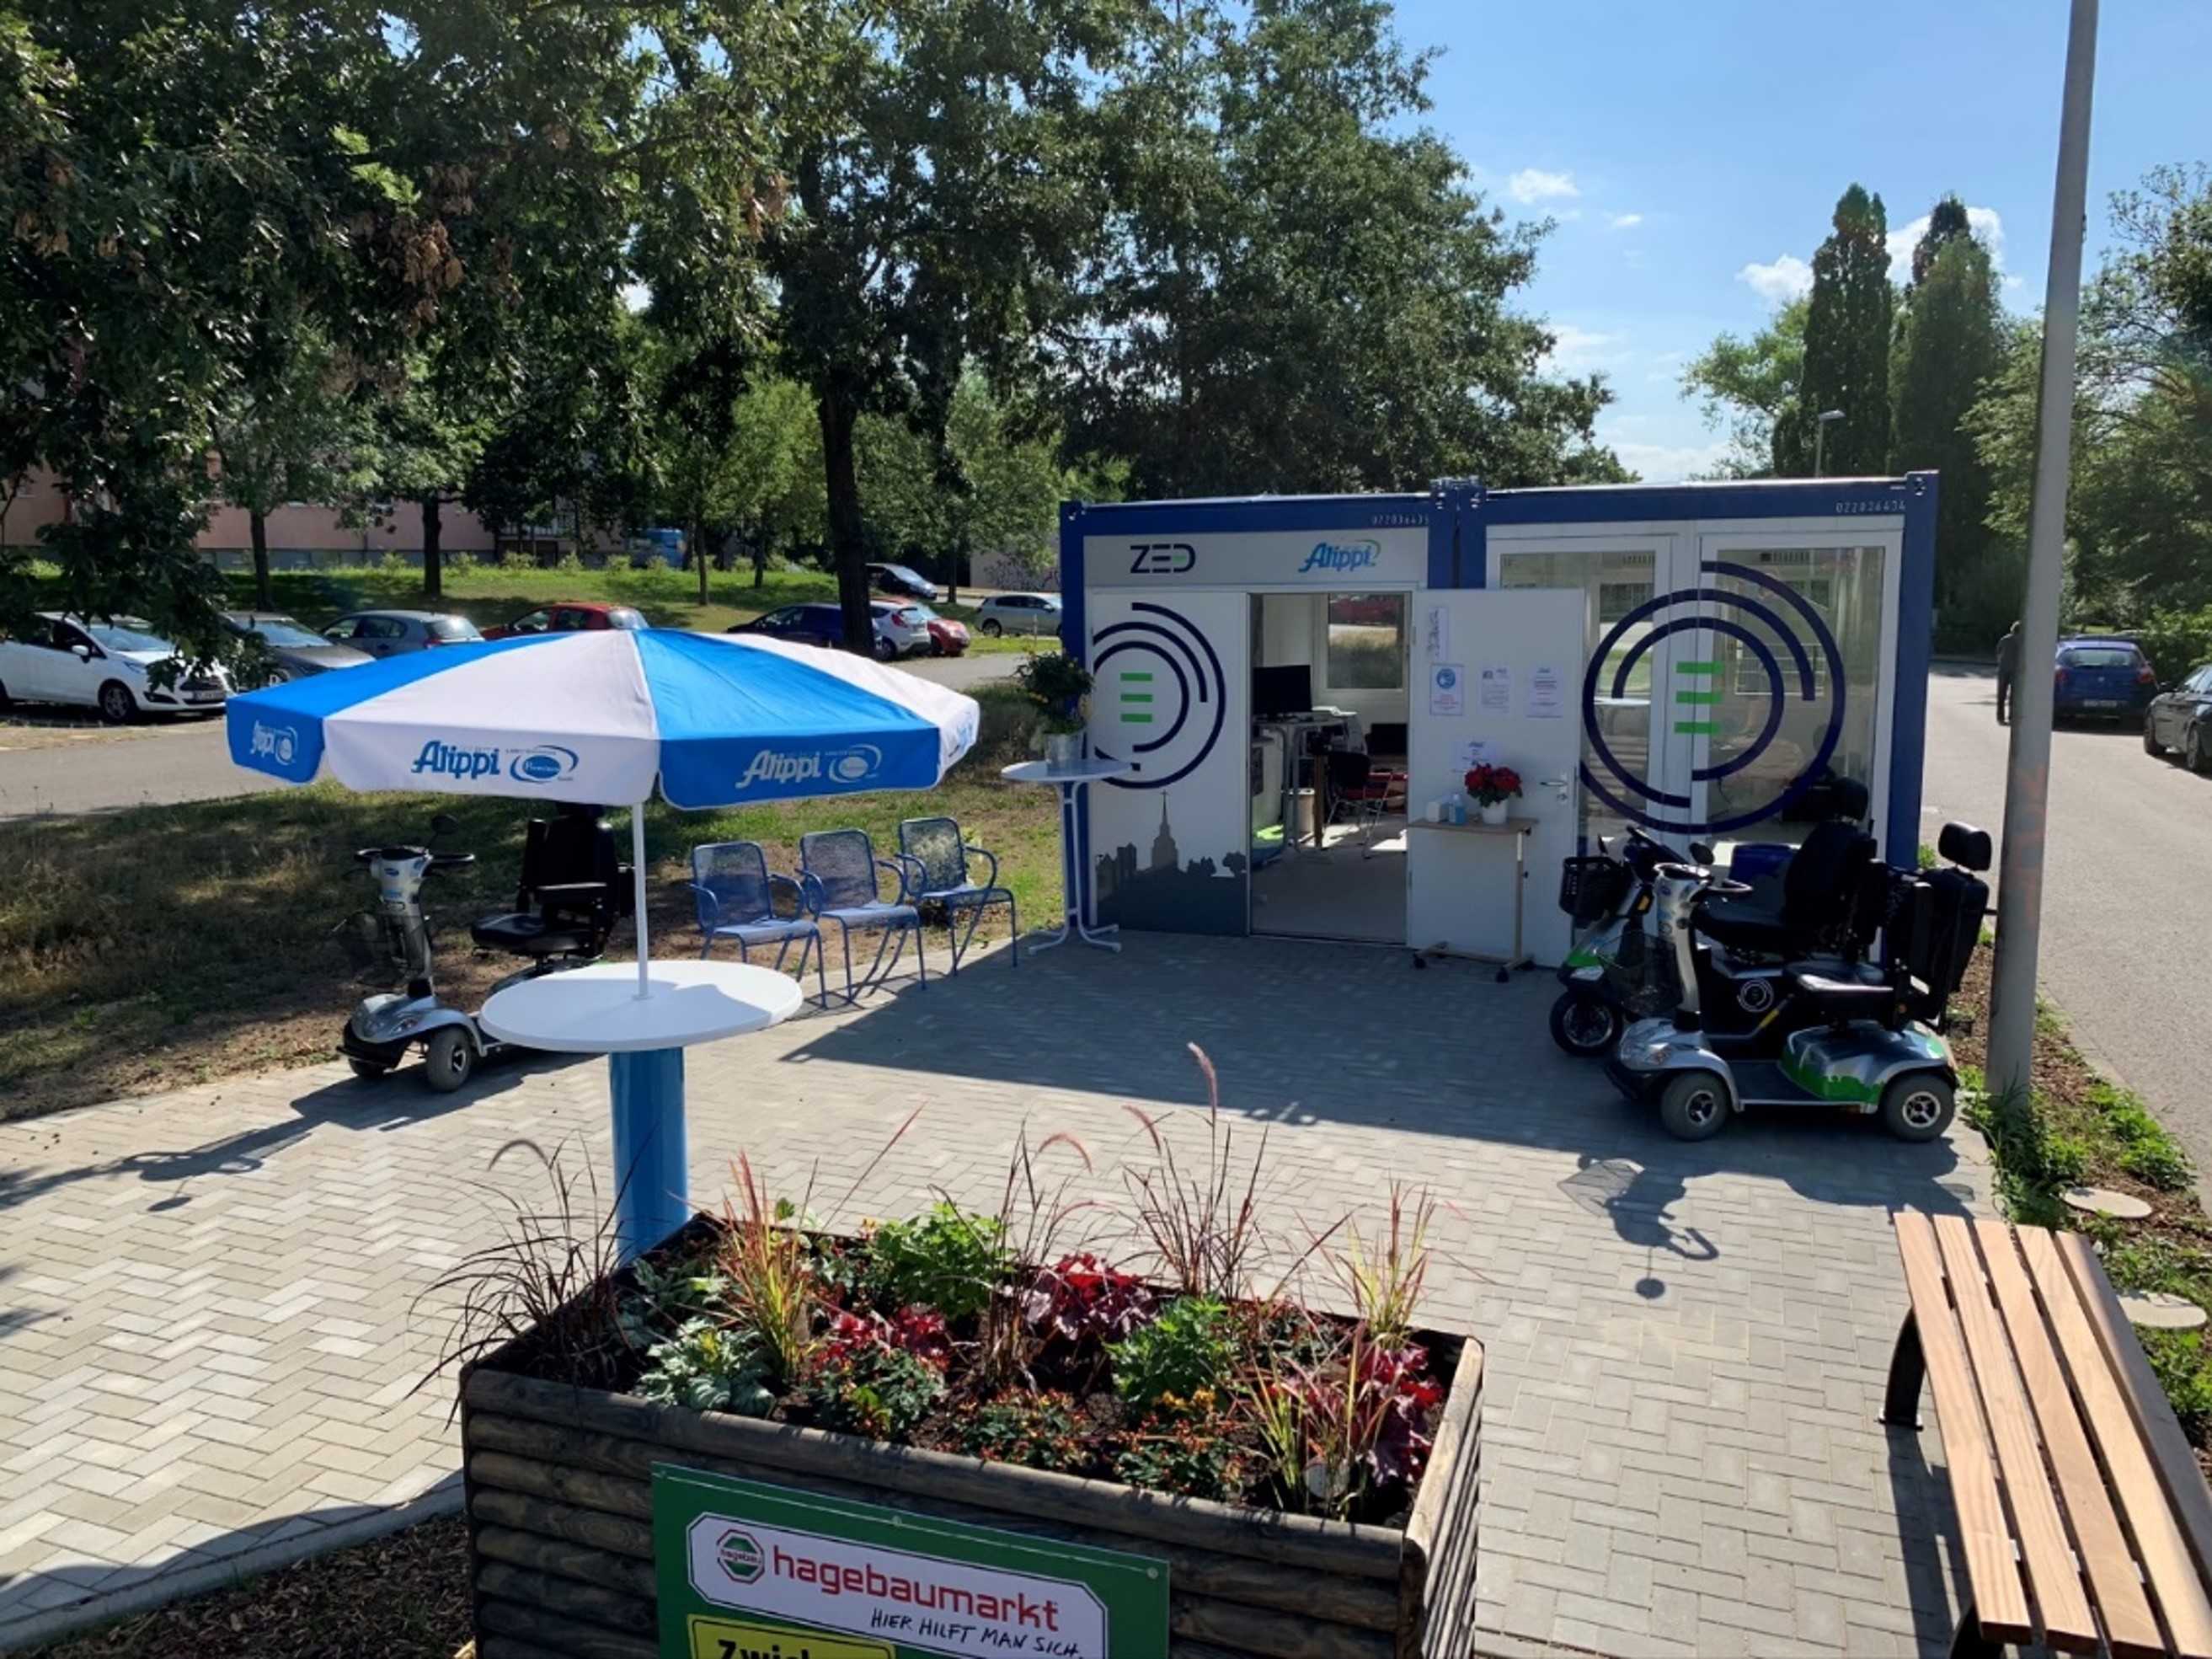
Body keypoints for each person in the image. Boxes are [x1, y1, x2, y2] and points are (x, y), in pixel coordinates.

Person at [1995, 620, 2021, 725]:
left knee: (2001, 695)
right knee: (2014, 696)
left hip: (2003, 669)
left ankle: (2000, 717)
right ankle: (2011, 716)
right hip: (2016, 671)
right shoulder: (2022, 642)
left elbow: (1998, 652)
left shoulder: (2005, 639)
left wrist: (2001, 662)